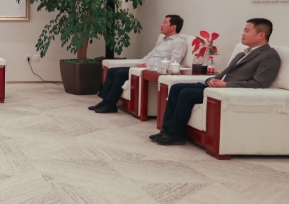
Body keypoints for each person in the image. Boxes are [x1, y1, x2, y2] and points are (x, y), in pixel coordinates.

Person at [152, 18, 281, 145]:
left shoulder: (269, 56)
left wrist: (226, 85)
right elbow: (225, 74)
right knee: (176, 87)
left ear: (261, 35)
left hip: (229, 91)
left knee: (186, 93)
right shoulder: (243, 53)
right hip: (217, 87)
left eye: (247, 31)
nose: (243, 34)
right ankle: (166, 130)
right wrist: (211, 80)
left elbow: (259, 83)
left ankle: (176, 134)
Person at [91, 15, 187, 114]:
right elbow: (151, 54)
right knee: (112, 71)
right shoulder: (162, 40)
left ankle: (110, 105)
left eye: (165, 22)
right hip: (145, 67)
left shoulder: (178, 42)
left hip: (154, 70)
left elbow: (173, 62)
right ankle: (105, 102)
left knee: (120, 73)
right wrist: (141, 63)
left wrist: (148, 65)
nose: (161, 25)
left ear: (173, 27)